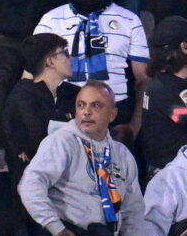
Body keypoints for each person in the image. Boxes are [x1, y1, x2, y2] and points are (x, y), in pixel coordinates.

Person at [19, 81, 144, 236]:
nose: (86, 112)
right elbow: (30, 184)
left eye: (95, 106)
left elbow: (134, 209)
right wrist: (56, 227)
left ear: (112, 115)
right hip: (69, 229)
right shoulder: (62, 141)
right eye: (81, 105)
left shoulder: (122, 154)